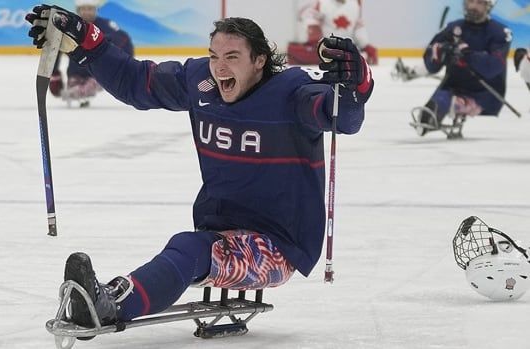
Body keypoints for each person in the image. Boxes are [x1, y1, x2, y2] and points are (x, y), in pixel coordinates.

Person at [26, 4, 374, 330]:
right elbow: (135, 82)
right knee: (192, 247)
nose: (220, 67)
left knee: (189, 248)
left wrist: (358, 85)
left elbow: (342, 116)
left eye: (233, 57)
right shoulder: (201, 82)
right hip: (220, 229)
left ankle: (112, 306)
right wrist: (88, 41)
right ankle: (109, 299)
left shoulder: (291, 93)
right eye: (214, 56)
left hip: (279, 245)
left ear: (259, 61)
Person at [408, 0, 511, 136]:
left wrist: (466, 54)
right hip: (453, 86)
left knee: (450, 104)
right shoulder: (453, 28)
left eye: (479, 2)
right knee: (427, 117)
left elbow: (492, 67)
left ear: (488, 6)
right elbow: (430, 63)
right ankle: (447, 105)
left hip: (485, 92)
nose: (473, 6)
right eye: (470, 1)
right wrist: (439, 54)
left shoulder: (500, 32)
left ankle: (459, 105)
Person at [49, 0, 134, 107]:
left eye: (90, 9)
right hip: (75, 72)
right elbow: (55, 48)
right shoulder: (69, 27)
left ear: (96, 10)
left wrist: (126, 68)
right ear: (78, 11)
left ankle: (92, 83)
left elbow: (124, 41)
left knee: (84, 90)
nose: (86, 12)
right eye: (83, 9)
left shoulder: (106, 26)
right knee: (72, 94)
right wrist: (54, 74)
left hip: (99, 73)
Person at [287, 0, 378, 65]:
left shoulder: (356, 3)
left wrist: (365, 44)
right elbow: (310, 18)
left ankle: (349, 57)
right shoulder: (322, 3)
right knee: (297, 51)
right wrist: (314, 32)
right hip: (325, 46)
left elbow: (358, 27)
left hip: (347, 46)